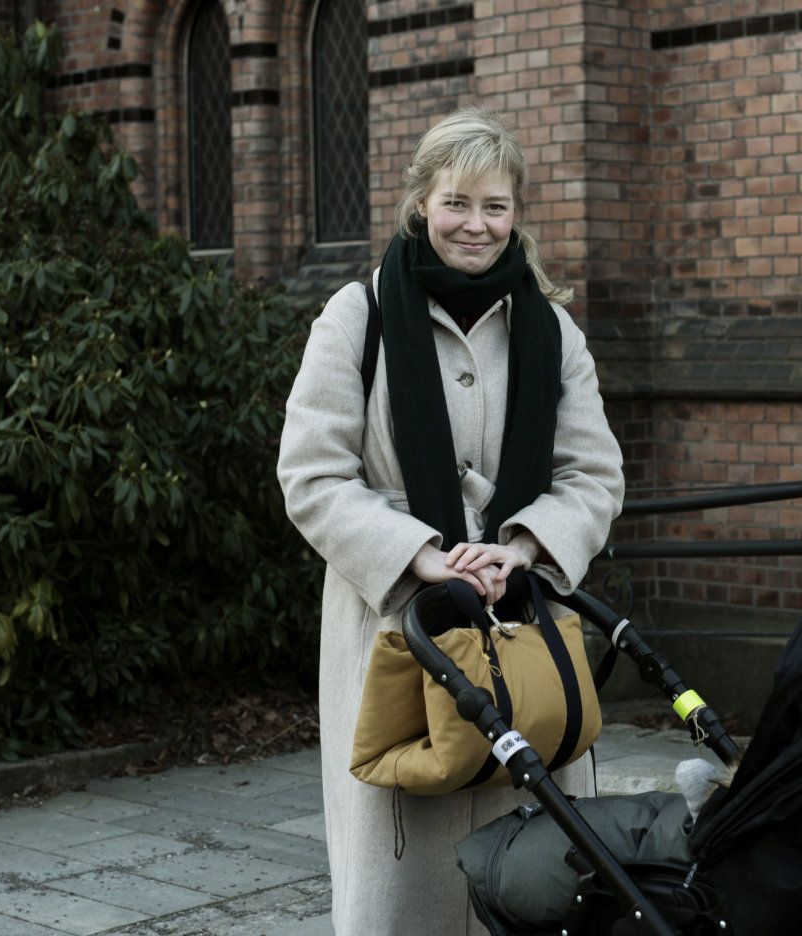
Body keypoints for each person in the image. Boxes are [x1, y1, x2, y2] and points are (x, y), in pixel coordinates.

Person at [277, 107, 625, 934]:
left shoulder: (553, 330)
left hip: (521, 616)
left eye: (496, 206)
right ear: (421, 203)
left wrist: (521, 547)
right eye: (458, 202)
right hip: (401, 624)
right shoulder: (355, 318)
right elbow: (311, 473)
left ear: (517, 214)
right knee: (405, 866)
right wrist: (422, 555)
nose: (477, 224)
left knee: (538, 865)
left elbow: (594, 473)